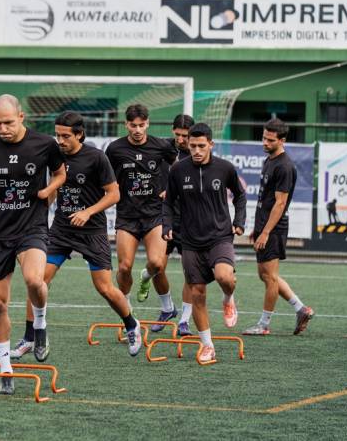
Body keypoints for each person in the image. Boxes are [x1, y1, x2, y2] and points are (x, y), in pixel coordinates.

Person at [10, 111, 142, 360]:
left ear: (79, 134)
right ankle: (30, 336)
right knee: (37, 281)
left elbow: (114, 194)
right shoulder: (54, 156)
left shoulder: (96, 157)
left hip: (92, 232)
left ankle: (132, 324)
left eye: (66, 136)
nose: (60, 140)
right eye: (57, 135)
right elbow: (53, 188)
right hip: (61, 230)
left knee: (104, 288)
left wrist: (87, 212)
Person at [0, 94, 66, 395]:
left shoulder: (44, 144)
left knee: (35, 280)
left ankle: (39, 325)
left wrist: (48, 191)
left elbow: (61, 173)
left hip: (31, 227)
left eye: (8, 122)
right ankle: (6, 369)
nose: (2, 129)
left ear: (21, 117)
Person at [162, 123, 246, 362]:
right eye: (193, 146)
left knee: (224, 277)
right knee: (197, 293)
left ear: (211, 144)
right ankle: (207, 345)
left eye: (201, 146)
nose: (197, 151)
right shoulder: (178, 170)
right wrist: (167, 225)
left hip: (220, 236)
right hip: (190, 240)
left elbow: (240, 195)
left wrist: (239, 221)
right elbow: (168, 202)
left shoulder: (225, 168)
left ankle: (228, 299)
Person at [105, 104, 177, 332]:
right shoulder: (114, 149)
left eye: (141, 125)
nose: (137, 130)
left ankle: (148, 281)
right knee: (124, 267)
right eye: (133, 125)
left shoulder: (161, 146)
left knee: (157, 264)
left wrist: (170, 190)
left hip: (154, 215)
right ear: (126, 124)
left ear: (148, 123)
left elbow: (180, 169)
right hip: (127, 216)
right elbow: (104, 177)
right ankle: (127, 314)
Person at [243, 118, 314, 336]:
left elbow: (280, 203)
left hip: (274, 229)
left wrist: (266, 232)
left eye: (270, 140)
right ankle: (301, 309)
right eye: (264, 138)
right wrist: (258, 228)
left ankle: (264, 325)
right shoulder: (269, 160)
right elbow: (266, 198)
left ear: (282, 140)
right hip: (265, 225)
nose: (265, 142)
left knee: (270, 277)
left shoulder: (284, 166)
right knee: (265, 275)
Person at [164, 114, 195, 336]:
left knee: (190, 273)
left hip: (188, 221)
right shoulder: (162, 148)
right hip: (164, 218)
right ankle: (166, 308)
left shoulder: (198, 153)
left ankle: (184, 320)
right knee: (156, 266)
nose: (181, 140)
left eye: (185, 136)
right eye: (178, 135)